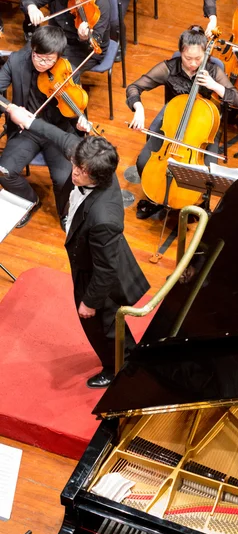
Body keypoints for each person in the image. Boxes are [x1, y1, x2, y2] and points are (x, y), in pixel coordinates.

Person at [8, 105, 150, 389]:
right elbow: (62, 138)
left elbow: (105, 269)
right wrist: (30, 120)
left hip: (97, 273)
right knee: (108, 326)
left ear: (96, 177)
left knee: (101, 326)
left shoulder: (104, 218)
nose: (73, 172)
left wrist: (90, 301)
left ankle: (116, 368)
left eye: (80, 171)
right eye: (75, 165)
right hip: (92, 254)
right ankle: (128, 356)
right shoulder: (92, 160)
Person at [126, 25, 238, 218]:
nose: (193, 64)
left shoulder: (213, 71)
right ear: (181, 52)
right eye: (188, 58)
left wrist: (215, 86)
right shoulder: (169, 68)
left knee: (205, 176)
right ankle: (156, 198)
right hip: (171, 123)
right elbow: (134, 87)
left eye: (198, 59)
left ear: (205, 54)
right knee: (143, 162)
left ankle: (196, 204)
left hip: (202, 129)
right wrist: (138, 108)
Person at [0, 26, 81, 228]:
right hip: (26, 130)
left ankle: (65, 212)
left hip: (57, 132)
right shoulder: (17, 60)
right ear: (32, 48)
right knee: (4, 171)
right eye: (38, 57)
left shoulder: (68, 69)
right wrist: (10, 108)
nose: (43, 63)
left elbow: (77, 104)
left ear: (59, 56)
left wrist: (81, 119)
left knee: (65, 179)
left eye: (49, 60)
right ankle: (30, 200)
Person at [21, 0, 111, 74]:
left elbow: (96, 40)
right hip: (57, 39)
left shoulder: (99, 0)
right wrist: (32, 8)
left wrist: (84, 38)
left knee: (55, 70)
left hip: (82, 49)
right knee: (25, 57)